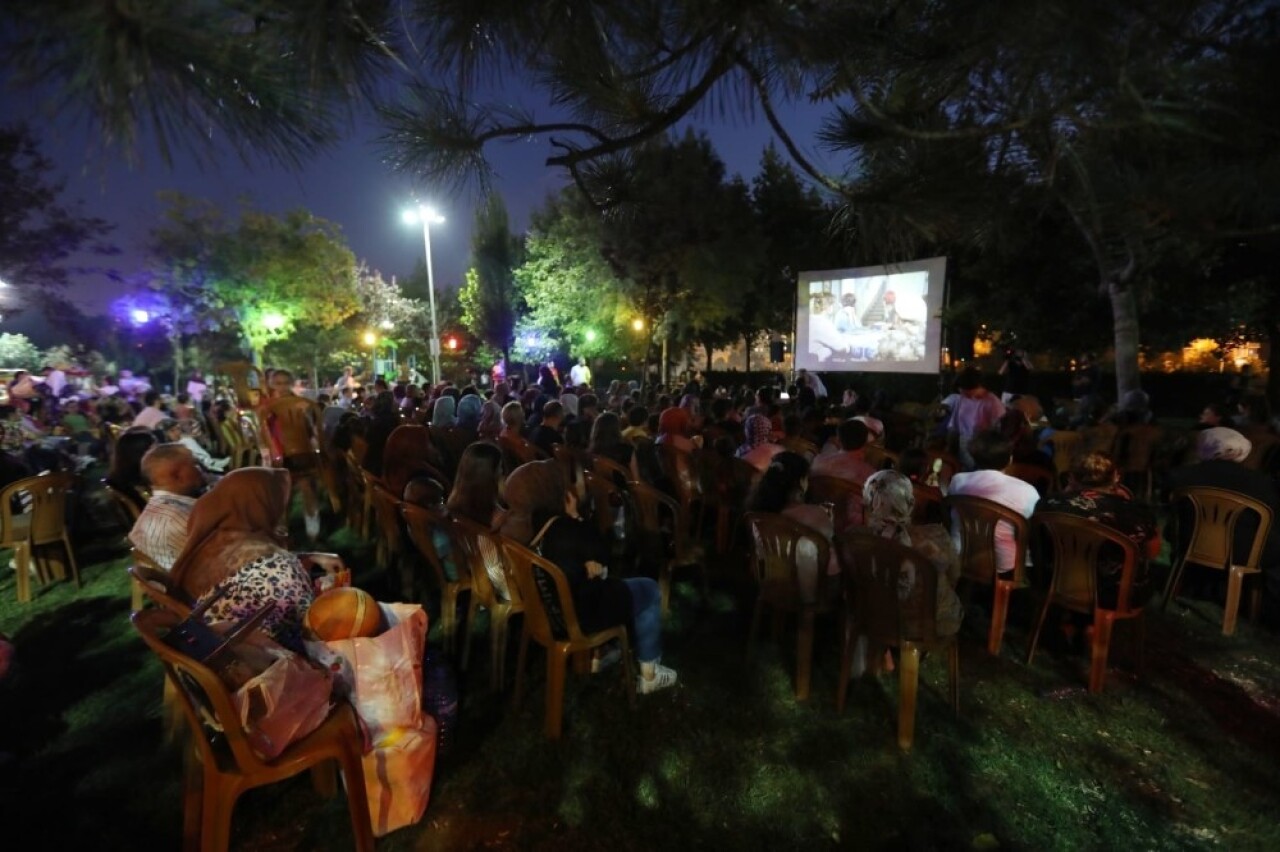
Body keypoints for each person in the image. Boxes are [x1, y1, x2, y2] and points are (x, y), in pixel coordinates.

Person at [500, 459, 677, 694]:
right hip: (578, 617)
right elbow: (605, 556)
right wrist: (574, 516)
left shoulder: (513, 530)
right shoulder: (564, 529)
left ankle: (603, 652)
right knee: (649, 589)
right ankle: (650, 673)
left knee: (603, 580)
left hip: (544, 614)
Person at [169, 468, 329, 653]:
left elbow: (250, 570)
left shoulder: (209, 544)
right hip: (276, 662)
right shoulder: (276, 564)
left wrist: (305, 558)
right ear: (261, 505)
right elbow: (312, 627)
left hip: (219, 651)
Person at [1166, 427, 1280, 600]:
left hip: (1190, 542)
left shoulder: (1180, 475)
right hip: (1246, 553)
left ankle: (1189, 581)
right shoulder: (1263, 483)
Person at [1036, 452, 1161, 609]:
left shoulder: (1048, 503)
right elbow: (1151, 552)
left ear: (1072, 477)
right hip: (1112, 592)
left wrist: (1068, 491)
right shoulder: (1137, 512)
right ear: (1116, 477)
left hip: (1054, 580)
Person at [947, 429, 1040, 574]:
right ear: (1010, 459)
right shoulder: (1027, 492)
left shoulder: (958, 481)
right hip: (1006, 565)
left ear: (974, 456)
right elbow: (1032, 530)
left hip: (960, 553)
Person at [129, 443, 207, 569]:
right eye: (195, 464)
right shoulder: (183, 517)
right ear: (177, 476)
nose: (201, 469)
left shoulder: (156, 510)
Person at [946, 367, 1005, 470]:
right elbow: (954, 427)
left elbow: (999, 429)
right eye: (961, 391)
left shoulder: (992, 402)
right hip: (964, 444)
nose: (962, 393)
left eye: (965, 391)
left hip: (984, 447)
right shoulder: (962, 399)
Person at [106, 428, 160, 515]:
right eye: (154, 449)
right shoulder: (140, 484)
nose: (160, 453)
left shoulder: (120, 478)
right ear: (140, 453)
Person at [158, 418, 228, 473]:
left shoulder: (184, 440)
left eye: (178, 428)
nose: (177, 432)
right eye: (172, 430)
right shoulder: (168, 449)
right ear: (165, 434)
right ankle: (210, 464)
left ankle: (210, 462)